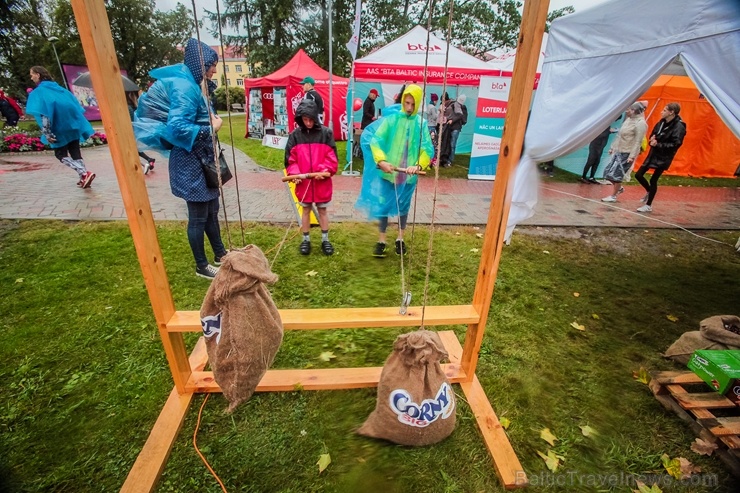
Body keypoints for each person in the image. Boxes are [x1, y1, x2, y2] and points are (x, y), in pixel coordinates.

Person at [137, 38, 228, 280]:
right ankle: (202, 265)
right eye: (211, 64)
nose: (214, 69)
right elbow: (177, 128)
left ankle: (221, 254)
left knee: (211, 211)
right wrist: (212, 129)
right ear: (200, 64)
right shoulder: (185, 87)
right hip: (190, 164)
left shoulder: (192, 84)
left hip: (202, 161)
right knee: (198, 216)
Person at [356, 84, 434, 258]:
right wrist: (381, 160)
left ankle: (400, 238)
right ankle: (382, 240)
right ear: (403, 100)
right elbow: (376, 141)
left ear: (418, 104)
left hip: (408, 176)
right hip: (388, 173)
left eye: (413, 105)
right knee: (384, 205)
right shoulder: (392, 120)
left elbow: (427, 149)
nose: (409, 108)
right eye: (407, 103)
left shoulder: (421, 124)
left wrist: (419, 165)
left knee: (403, 207)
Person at [25, 66, 96, 188]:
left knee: (60, 155)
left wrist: (47, 133)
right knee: (75, 152)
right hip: (73, 126)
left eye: (32, 75)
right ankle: (83, 178)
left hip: (58, 128)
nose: (31, 78)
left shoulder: (39, 92)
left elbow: (44, 114)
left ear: (38, 75)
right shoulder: (60, 89)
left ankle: (84, 173)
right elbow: (75, 107)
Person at [284, 99, 338, 256]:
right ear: (300, 119)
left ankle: (325, 240)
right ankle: (305, 240)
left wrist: (324, 170)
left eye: (310, 119)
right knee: (306, 210)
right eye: (304, 119)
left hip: (321, 182)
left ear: (315, 117)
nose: (307, 122)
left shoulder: (326, 134)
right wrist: (295, 174)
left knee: (322, 210)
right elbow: (290, 160)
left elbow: (332, 157)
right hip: (304, 182)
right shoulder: (294, 136)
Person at [634, 103, 686, 213]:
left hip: (664, 156)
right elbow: (654, 134)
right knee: (638, 175)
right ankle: (650, 191)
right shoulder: (661, 122)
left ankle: (648, 205)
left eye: (664, 110)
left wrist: (658, 144)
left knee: (654, 179)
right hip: (654, 153)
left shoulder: (679, 126)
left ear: (671, 112)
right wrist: (652, 139)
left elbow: (676, 144)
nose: (662, 112)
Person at [601, 102, 648, 203]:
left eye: (629, 109)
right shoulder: (628, 120)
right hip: (619, 150)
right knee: (608, 172)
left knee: (617, 175)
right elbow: (620, 135)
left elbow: (638, 141)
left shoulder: (640, 123)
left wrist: (632, 156)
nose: (627, 111)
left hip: (627, 153)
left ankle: (613, 196)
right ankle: (619, 188)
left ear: (634, 111)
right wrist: (613, 147)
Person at [580, 118, 620, 183]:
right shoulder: (602, 124)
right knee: (590, 161)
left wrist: (610, 131)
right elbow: (599, 135)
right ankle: (583, 176)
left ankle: (591, 177)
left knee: (596, 162)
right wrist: (609, 131)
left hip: (601, 146)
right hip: (595, 145)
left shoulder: (607, 125)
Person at [125, 91, 156, 174]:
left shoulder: (127, 107)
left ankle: (145, 163)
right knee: (133, 150)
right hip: (133, 131)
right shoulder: (132, 105)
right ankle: (149, 160)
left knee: (130, 150)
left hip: (130, 132)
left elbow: (129, 122)